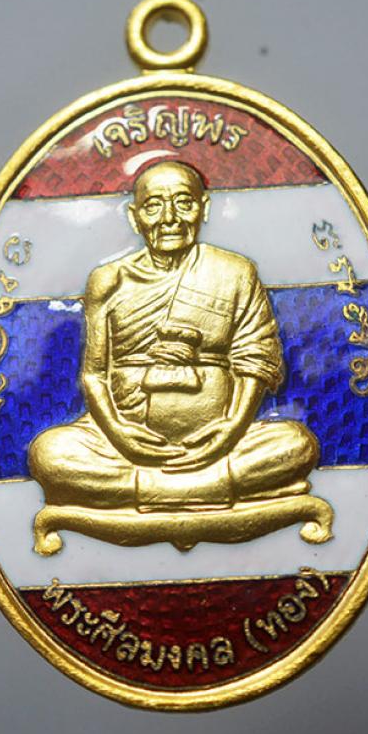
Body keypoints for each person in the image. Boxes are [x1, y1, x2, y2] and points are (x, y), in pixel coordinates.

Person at [29, 161, 318, 516]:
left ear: (204, 208)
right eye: (153, 206)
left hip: (223, 437)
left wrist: (232, 429)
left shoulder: (235, 272)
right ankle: (211, 488)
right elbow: (94, 374)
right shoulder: (109, 280)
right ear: (134, 217)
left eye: (184, 203)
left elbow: (256, 359)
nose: (170, 219)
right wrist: (118, 433)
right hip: (122, 443)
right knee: (49, 454)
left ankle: (142, 491)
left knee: (297, 445)